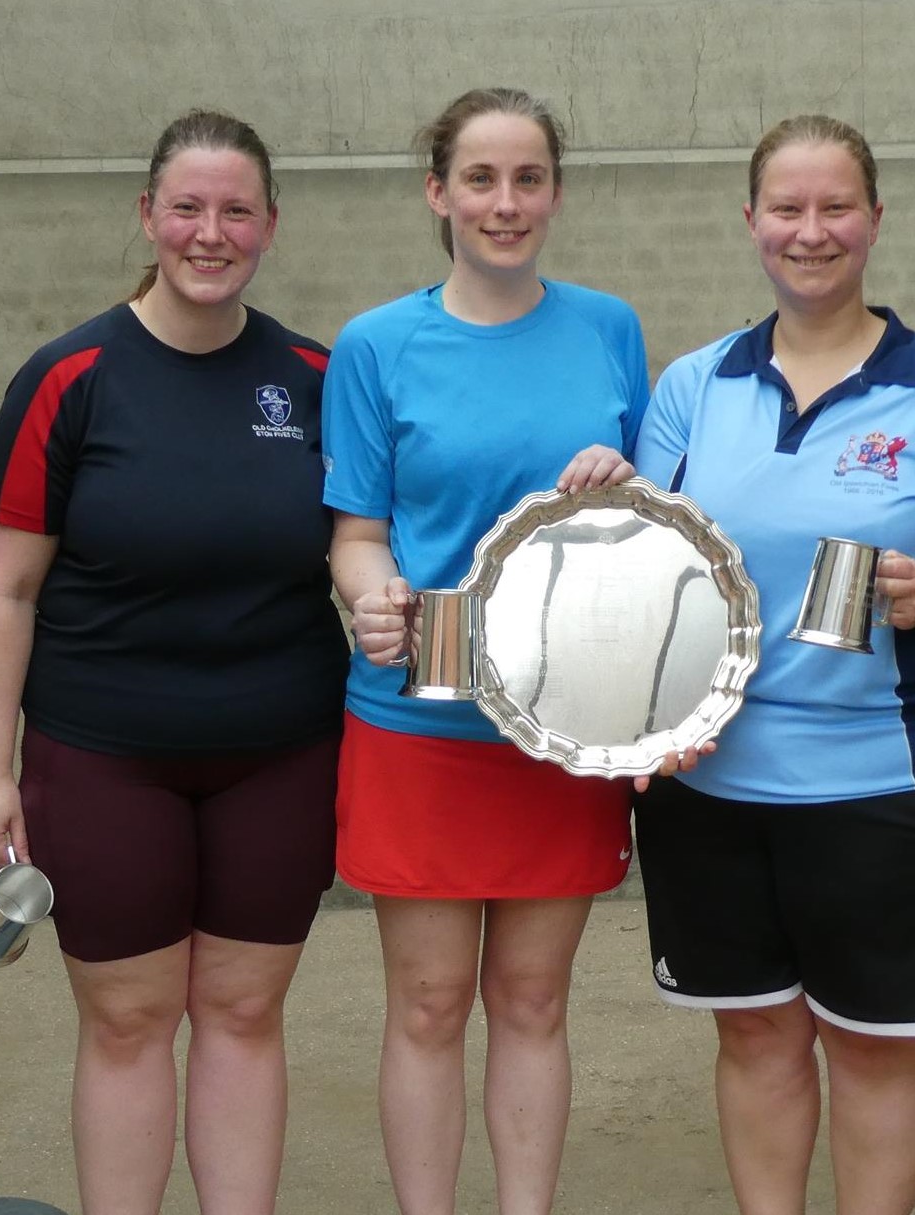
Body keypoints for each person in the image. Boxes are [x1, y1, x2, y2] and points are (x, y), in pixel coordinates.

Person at [631, 114, 915, 1215]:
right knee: (755, 1034)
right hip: (708, 784)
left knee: (875, 1047)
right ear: (751, 221)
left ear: (876, 220)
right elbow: (653, 564)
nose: (812, 232)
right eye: (788, 209)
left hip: (887, 783)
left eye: (835, 207)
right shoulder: (694, 385)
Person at [0, 110, 348, 1214]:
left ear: (270, 225)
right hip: (102, 756)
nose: (209, 233)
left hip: (278, 755)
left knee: (241, 1013)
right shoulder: (68, 378)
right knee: (130, 1021)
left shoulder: (315, 377)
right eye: (187, 207)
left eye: (235, 210)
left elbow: (365, 552)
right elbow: (5, 590)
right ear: (148, 216)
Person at [320, 87, 650, 1215]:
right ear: (439, 193)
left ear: (554, 192)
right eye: (480, 180)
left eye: (527, 180)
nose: (505, 204)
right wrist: (371, 600)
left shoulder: (610, 328)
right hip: (420, 727)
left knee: (534, 1003)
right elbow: (358, 535)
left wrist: (626, 484)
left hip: (565, 726)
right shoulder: (375, 345)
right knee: (424, 1006)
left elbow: (642, 532)